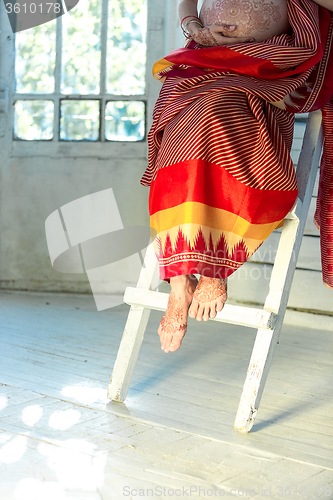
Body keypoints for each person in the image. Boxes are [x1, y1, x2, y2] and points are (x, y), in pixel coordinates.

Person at [140, 0, 333, 353]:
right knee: (180, 139)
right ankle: (179, 281)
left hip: (262, 69)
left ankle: (214, 267)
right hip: (202, 61)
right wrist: (193, 26)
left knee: (213, 113)